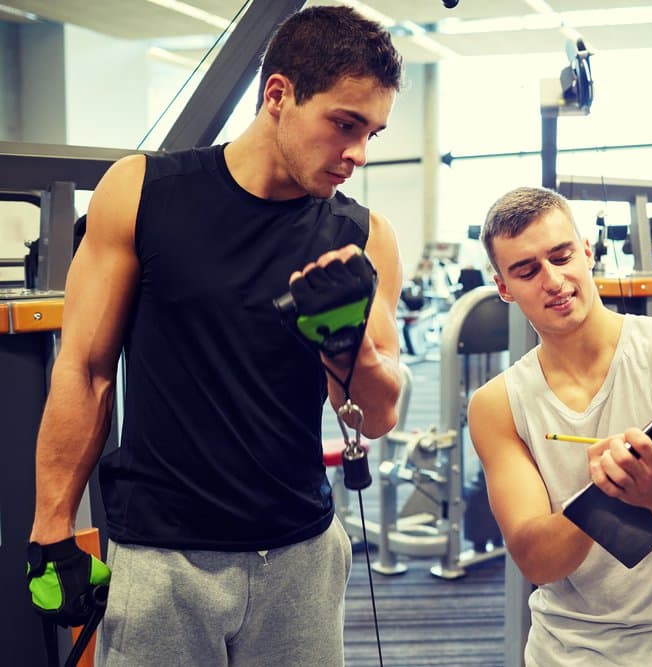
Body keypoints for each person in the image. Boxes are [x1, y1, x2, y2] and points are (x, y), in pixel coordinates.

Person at [25, 7, 404, 665]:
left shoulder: (362, 237)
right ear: (279, 95)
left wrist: (350, 348)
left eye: (372, 132)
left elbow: (378, 414)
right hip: (164, 557)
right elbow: (86, 370)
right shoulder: (142, 192)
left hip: (300, 557)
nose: (357, 154)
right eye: (344, 124)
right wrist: (52, 527)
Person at [468, 186, 652, 666]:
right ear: (504, 287)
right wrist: (604, 496)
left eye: (561, 257)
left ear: (587, 252)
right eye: (527, 270)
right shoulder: (498, 404)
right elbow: (536, 560)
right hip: (571, 654)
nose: (553, 281)